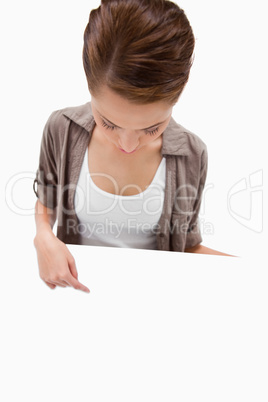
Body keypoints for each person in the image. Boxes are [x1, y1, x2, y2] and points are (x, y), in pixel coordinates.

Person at [33, 0, 231, 293]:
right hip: (77, 296)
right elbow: (45, 200)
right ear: (89, 87)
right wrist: (43, 237)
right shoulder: (62, 128)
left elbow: (186, 249)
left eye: (151, 128)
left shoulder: (192, 153)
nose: (127, 144)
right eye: (109, 123)